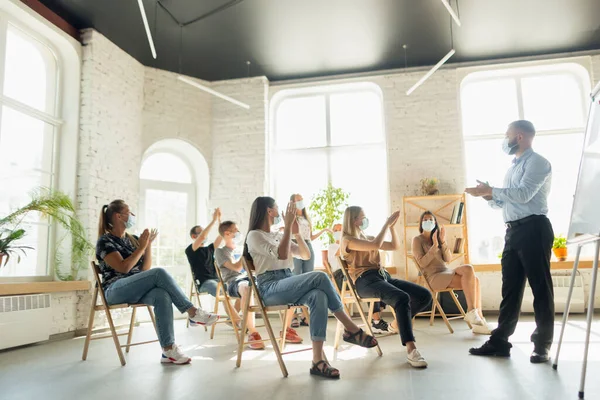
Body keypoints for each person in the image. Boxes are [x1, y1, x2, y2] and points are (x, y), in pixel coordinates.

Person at [244, 197, 378, 379]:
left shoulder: (277, 235)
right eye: (277, 207)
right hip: (270, 287)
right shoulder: (254, 235)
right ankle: (350, 328)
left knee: (318, 296)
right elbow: (282, 253)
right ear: (269, 211)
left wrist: (297, 234)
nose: (281, 212)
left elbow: (305, 255)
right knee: (320, 276)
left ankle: (317, 361)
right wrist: (289, 228)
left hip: (287, 281)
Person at [466, 120, 554, 363]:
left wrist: (492, 190)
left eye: (507, 135)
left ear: (520, 137)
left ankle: (542, 345)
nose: (505, 140)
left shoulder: (537, 162)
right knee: (511, 289)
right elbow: (504, 202)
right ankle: (500, 341)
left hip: (534, 229)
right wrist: (487, 195)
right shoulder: (513, 167)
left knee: (540, 289)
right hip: (513, 232)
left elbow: (524, 195)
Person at [96, 200, 219, 365]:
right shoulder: (105, 241)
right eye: (129, 212)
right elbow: (124, 268)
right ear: (119, 216)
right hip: (114, 290)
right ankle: (193, 312)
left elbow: (145, 269)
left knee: (162, 295)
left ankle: (168, 351)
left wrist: (147, 246)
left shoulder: (132, 240)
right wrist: (141, 248)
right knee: (159, 272)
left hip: (134, 287)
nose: (132, 216)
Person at [341, 206, 432, 368]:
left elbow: (394, 246)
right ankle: (411, 349)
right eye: (363, 217)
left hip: (382, 277)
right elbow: (376, 245)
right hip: (365, 281)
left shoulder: (365, 237)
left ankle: (395, 325)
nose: (365, 219)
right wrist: (386, 224)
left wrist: (391, 228)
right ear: (354, 220)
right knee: (402, 298)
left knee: (424, 295)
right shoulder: (348, 240)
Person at [412, 211, 491, 334]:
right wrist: (434, 247)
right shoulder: (417, 240)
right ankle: (475, 316)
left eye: (431, 220)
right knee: (474, 281)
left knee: (469, 270)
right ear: (421, 223)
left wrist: (442, 242)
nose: (428, 222)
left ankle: (477, 315)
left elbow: (448, 259)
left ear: (435, 223)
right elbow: (422, 263)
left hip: (446, 272)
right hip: (433, 277)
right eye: (425, 220)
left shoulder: (438, 238)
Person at [329, 223, 396, 334]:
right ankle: (376, 320)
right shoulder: (337, 245)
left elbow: (391, 246)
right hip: (341, 275)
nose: (338, 232)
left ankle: (377, 318)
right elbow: (338, 256)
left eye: (340, 229)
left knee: (378, 277)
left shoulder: (353, 242)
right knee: (369, 281)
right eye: (335, 230)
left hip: (351, 273)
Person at [214, 220, 265, 350]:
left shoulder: (240, 249)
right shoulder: (220, 252)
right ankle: (253, 332)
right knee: (246, 287)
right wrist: (246, 252)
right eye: (236, 230)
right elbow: (236, 268)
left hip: (249, 278)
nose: (239, 232)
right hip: (233, 282)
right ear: (227, 233)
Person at [289, 193, 331, 328]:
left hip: (308, 245)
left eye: (302, 199)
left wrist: (324, 230)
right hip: (296, 243)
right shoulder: (291, 218)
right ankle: (293, 314)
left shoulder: (306, 217)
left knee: (308, 280)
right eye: (298, 200)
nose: (301, 201)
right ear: (292, 203)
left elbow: (310, 237)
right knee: (296, 278)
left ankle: (304, 314)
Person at [185, 208, 223, 298]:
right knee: (221, 293)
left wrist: (219, 220)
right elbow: (202, 237)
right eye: (201, 232)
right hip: (204, 283)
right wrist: (213, 220)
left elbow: (222, 235)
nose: (205, 234)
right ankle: (233, 312)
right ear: (194, 236)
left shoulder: (210, 248)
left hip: (217, 280)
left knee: (237, 290)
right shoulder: (191, 250)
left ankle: (233, 313)